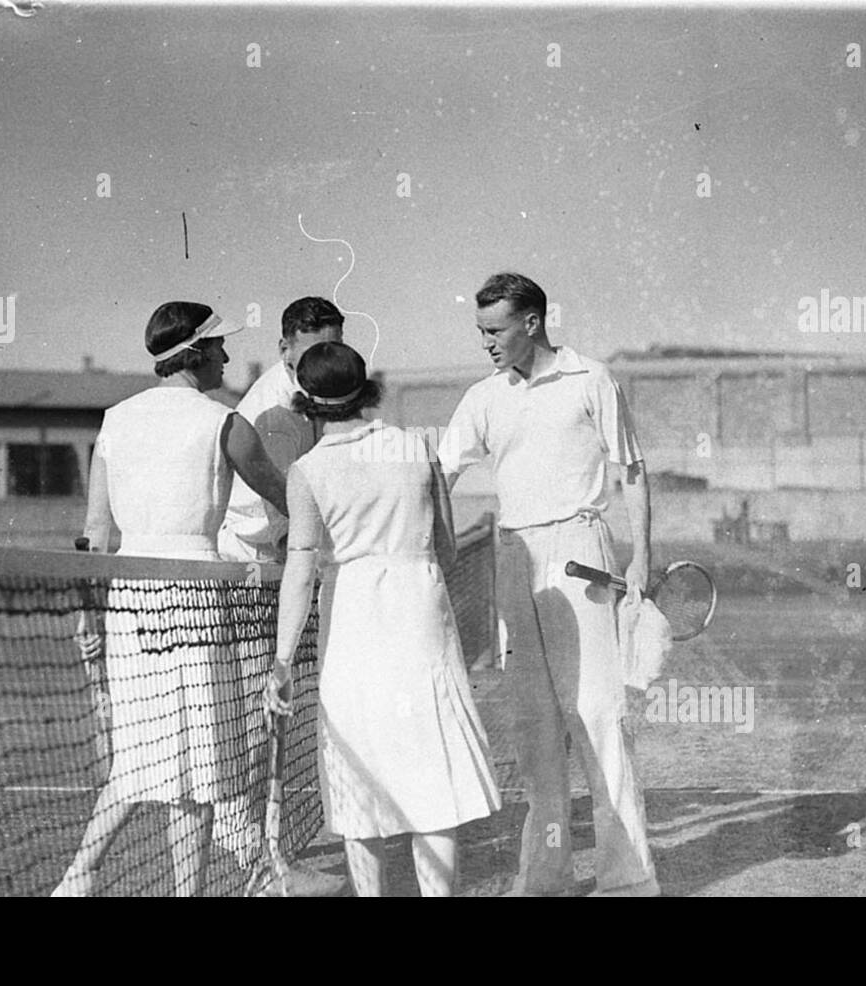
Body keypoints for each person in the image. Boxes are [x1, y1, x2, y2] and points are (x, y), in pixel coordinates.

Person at [52, 300, 288, 897]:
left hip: (129, 598)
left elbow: (96, 534)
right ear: (196, 353)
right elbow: (289, 496)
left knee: (143, 754)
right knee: (200, 763)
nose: (227, 357)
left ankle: (77, 881)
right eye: (219, 347)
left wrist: (88, 611)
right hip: (196, 594)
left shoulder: (114, 421)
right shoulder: (227, 423)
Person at [438, 272, 660, 897]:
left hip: (582, 553)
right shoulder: (483, 397)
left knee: (598, 714)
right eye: (480, 330)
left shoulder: (593, 379)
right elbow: (436, 477)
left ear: (532, 322)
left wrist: (641, 557)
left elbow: (634, 471)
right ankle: (546, 880)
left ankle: (629, 881)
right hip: (514, 560)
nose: (486, 342)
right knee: (535, 728)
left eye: (495, 329)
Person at [263, 342, 501, 897]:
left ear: (306, 401)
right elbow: (446, 548)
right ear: (365, 390)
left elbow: (300, 571)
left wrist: (281, 661)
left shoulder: (307, 471)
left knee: (358, 782)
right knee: (432, 779)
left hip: (353, 624)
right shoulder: (417, 446)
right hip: (421, 616)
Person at [216, 297, 344, 564]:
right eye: (315, 352)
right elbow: (282, 511)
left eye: (335, 348)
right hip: (253, 553)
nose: (328, 361)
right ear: (285, 350)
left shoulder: (322, 389)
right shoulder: (275, 413)